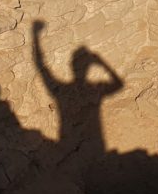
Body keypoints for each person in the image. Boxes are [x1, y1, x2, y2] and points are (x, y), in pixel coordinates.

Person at [31, 19, 123, 158]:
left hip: (69, 138)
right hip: (96, 140)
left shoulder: (60, 91)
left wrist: (35, 36)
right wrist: (103, 64)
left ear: (70, 66)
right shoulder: (96, 88)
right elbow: (118, 84)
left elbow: (40, 65)